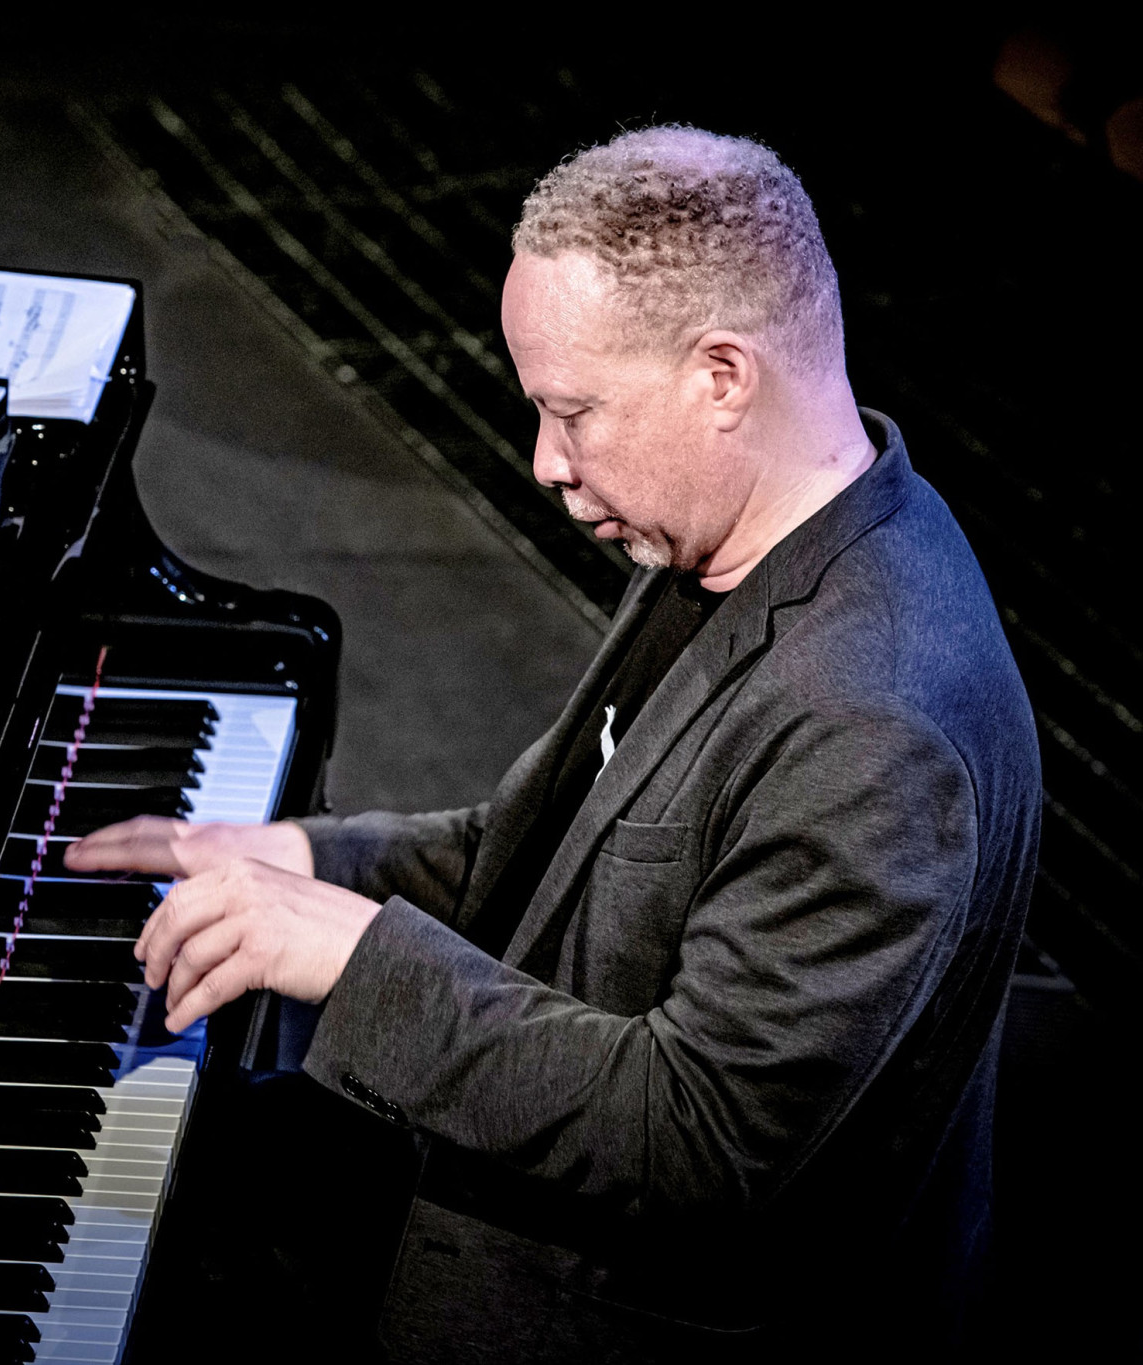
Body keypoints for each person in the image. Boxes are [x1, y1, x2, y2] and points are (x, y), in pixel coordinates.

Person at [66, 125, 1040, 1360]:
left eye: (571, 412)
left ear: (722, 376)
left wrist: (357, 961)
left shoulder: (873, 721)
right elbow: (534, 853)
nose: (546, 465)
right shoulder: (726, 530)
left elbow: (699, 1141)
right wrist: (305, 859)